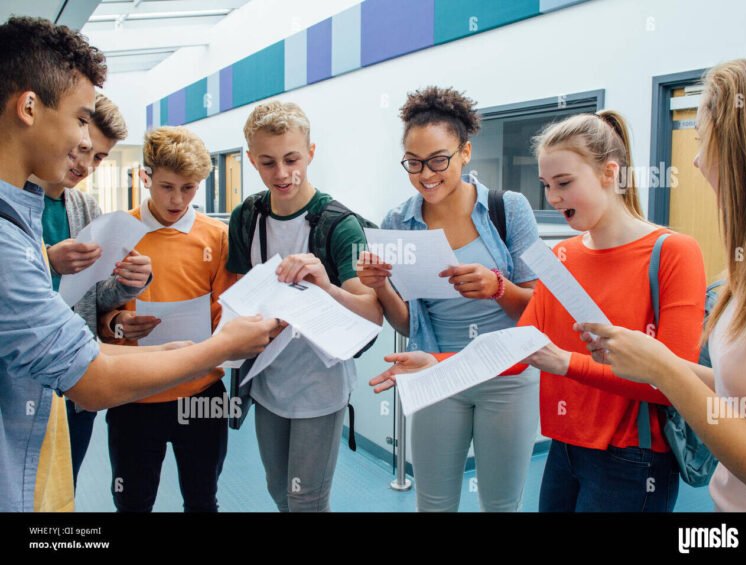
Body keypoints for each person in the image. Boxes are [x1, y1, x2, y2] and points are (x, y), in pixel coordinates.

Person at [0, 16, 280, 513]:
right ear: (28, 107)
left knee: (201, 495)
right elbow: (89, 373)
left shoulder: (25, 218)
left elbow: (77, 334)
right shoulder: (18, 237)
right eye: (81, 119)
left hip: (191, 392)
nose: (82, 148)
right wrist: (205, 345)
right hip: (114, 403)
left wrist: (185, 349)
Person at [372, 109, 707, 512]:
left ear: (609, 173)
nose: (552, 199)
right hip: (564, 450)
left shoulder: (672, 252)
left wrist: (565, 362)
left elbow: (677, 383)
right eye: (546, 185)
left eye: (564, 183)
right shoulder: (561, 256)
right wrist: (436, 362)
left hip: (632, 456)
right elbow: (516, 350)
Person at [576, 53, 746, 511]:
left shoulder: (673, 250)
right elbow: (743, 392)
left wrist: (664, 371)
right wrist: (657, 361)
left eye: (705, 140)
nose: (698, 161)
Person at [358, 86, 540, 512]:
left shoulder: (508, 209)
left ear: (465, 152)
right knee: (434, 503)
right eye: (414, 162)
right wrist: (381, 285)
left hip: (507, 378)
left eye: (439, 159)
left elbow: (538, 311)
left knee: (500, 504)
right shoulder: (397, 221)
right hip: (436, 373)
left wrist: (499, 287)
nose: (426, 174)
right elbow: (408, 325)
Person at [227, 100, 382, 512]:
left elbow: (371, 314)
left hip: (320, 384)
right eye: (267, 162)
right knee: (279, 491)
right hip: (267, 379)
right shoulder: (247, 217)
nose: (281, 174)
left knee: (306, 500)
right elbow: (236, 292)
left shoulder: (339, 225)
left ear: (311, 152)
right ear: (251, 161)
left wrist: (326, 287)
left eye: (292, 158)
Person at [98, 126, 239, 512]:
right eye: (166, 187)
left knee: (202, 499)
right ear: (145, 177)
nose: (177, 199)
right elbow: (91, 309)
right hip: (133, 393)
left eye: (189, 188)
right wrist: (115, 325)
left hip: (200, 395)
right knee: (132, 503)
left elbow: (227, 313)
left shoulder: (217, 237)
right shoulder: (115, 232)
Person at [31, 92, 152, 489]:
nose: (86, 166)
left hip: (75, 382)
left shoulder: (85, 208)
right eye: (83, 150)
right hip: (25, 381)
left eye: (99, 158)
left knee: (63, 490)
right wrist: (49, 261)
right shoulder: (14, 199)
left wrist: (128, 283)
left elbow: (94, 298)